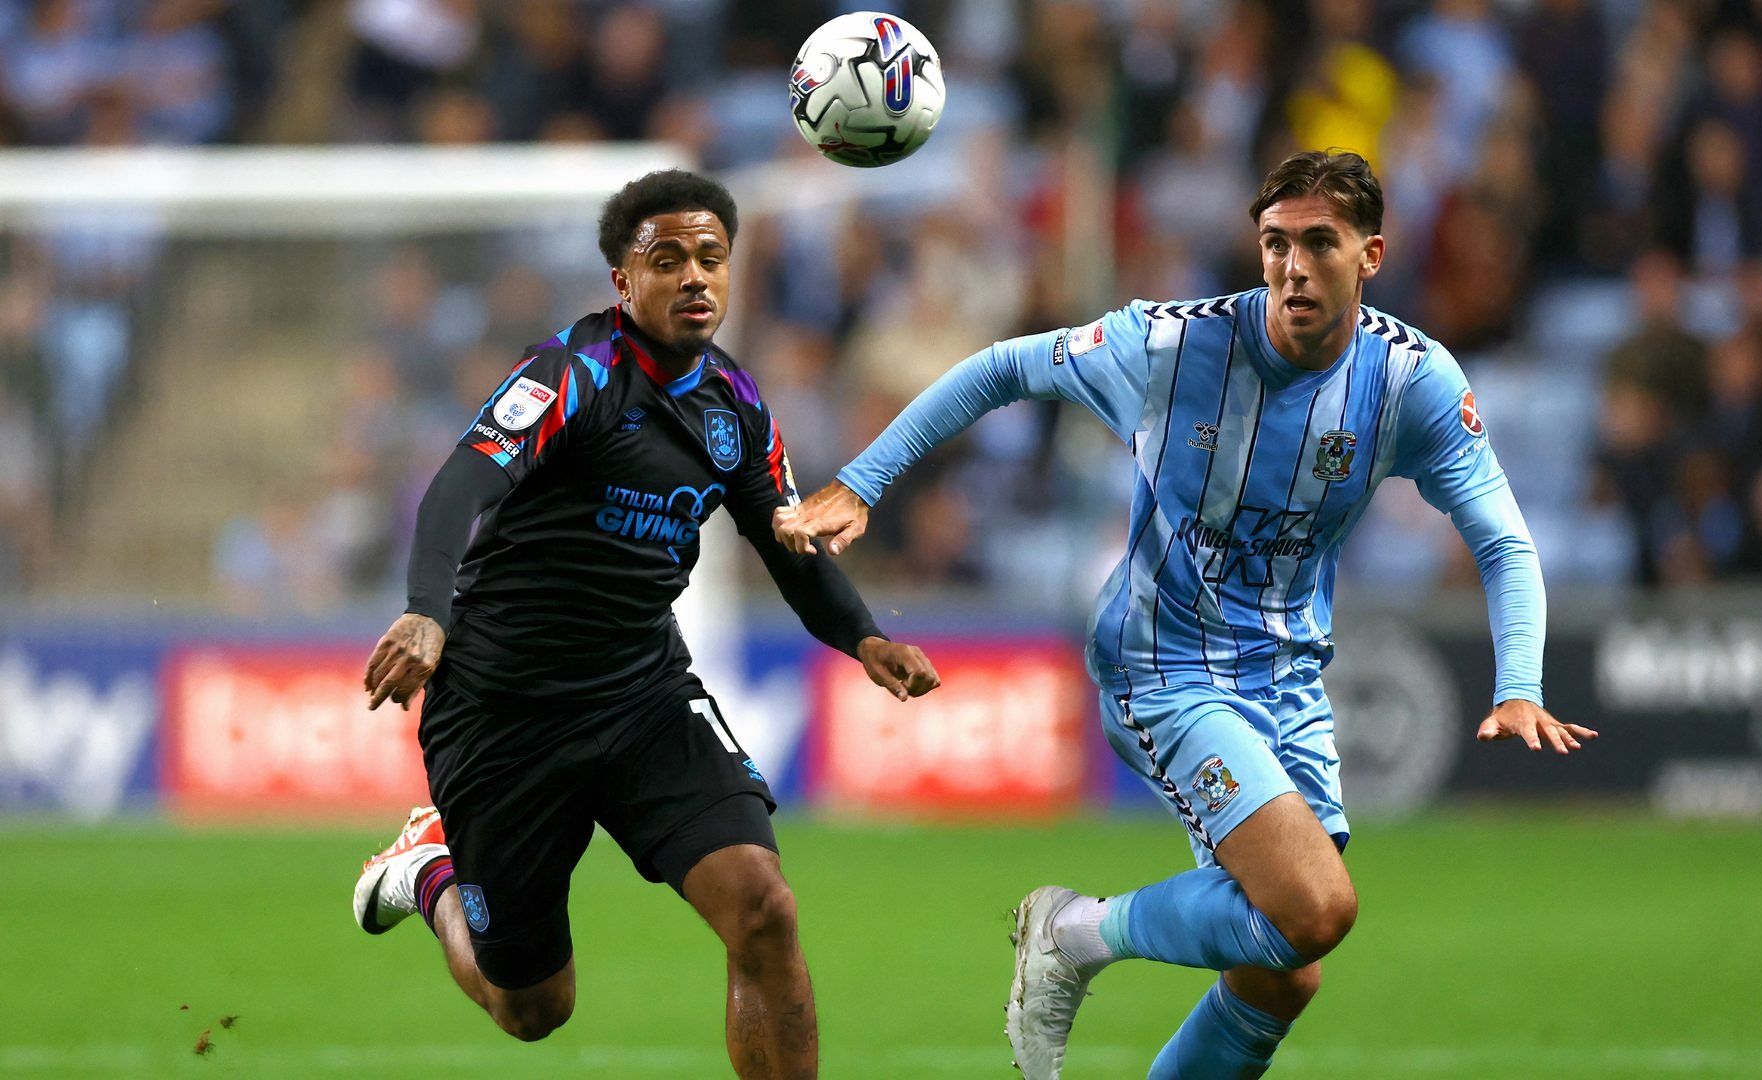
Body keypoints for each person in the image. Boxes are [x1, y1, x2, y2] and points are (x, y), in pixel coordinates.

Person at [774, 150, 1595, 1080]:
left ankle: (1084, 940)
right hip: (1161, 661)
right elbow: (1004, 368)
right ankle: (1074, 932)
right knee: (1316, 908)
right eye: (1274, 243)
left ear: (1370, 256)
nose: (1291, 266)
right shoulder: (1171, 347)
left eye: (1318, 244)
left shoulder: (1411, 382)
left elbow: (1503, 539)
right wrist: (864, 481)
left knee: (1283, 972)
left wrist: (1519, 682)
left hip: (1287, 674)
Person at [354, 169, 940, 1078]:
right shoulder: (571, 373)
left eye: (711, 258)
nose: (695, 277)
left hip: (641, 696)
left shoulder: (737, 406)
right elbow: (458, 485)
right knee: (533, 1007)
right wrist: (426, 613)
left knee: (764, 908)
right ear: (623, 282)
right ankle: (427, 871)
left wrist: (864, 636)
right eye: (666, 260)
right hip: (504, 710)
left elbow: (786, 540)